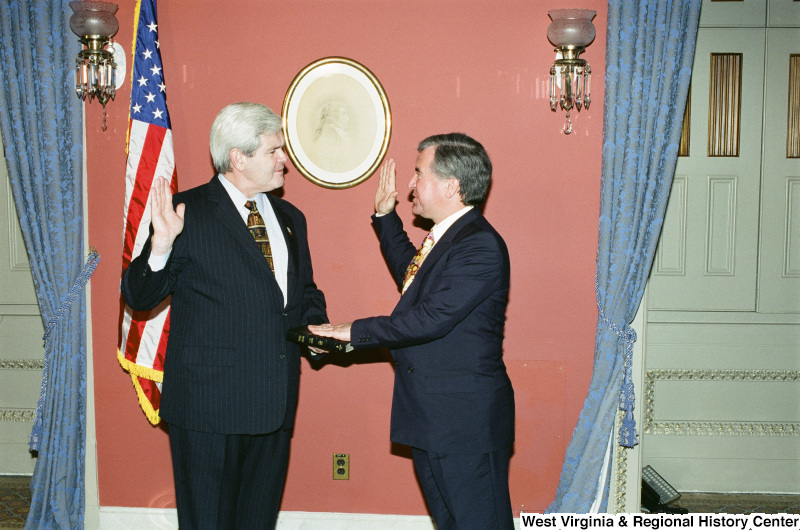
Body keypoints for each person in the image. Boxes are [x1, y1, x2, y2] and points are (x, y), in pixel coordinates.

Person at [121, 102, 328, 529]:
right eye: (273, 151)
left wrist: (320, 331)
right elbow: (139, 295)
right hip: (208, 410)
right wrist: (161, 246)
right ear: (238, 158)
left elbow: (302, 292)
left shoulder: (292, 218)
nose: (283, 161)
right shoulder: (185, 213)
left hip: (274, 404)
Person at [310, 133, 515, 529]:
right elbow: (414, 280)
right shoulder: (450, 238)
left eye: (418, 174)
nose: (409, 185)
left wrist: (352, 331)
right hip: (433, 417)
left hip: (463, 423)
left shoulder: (480, 245)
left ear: (451, 186)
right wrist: (386, 218)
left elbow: (430, 317)